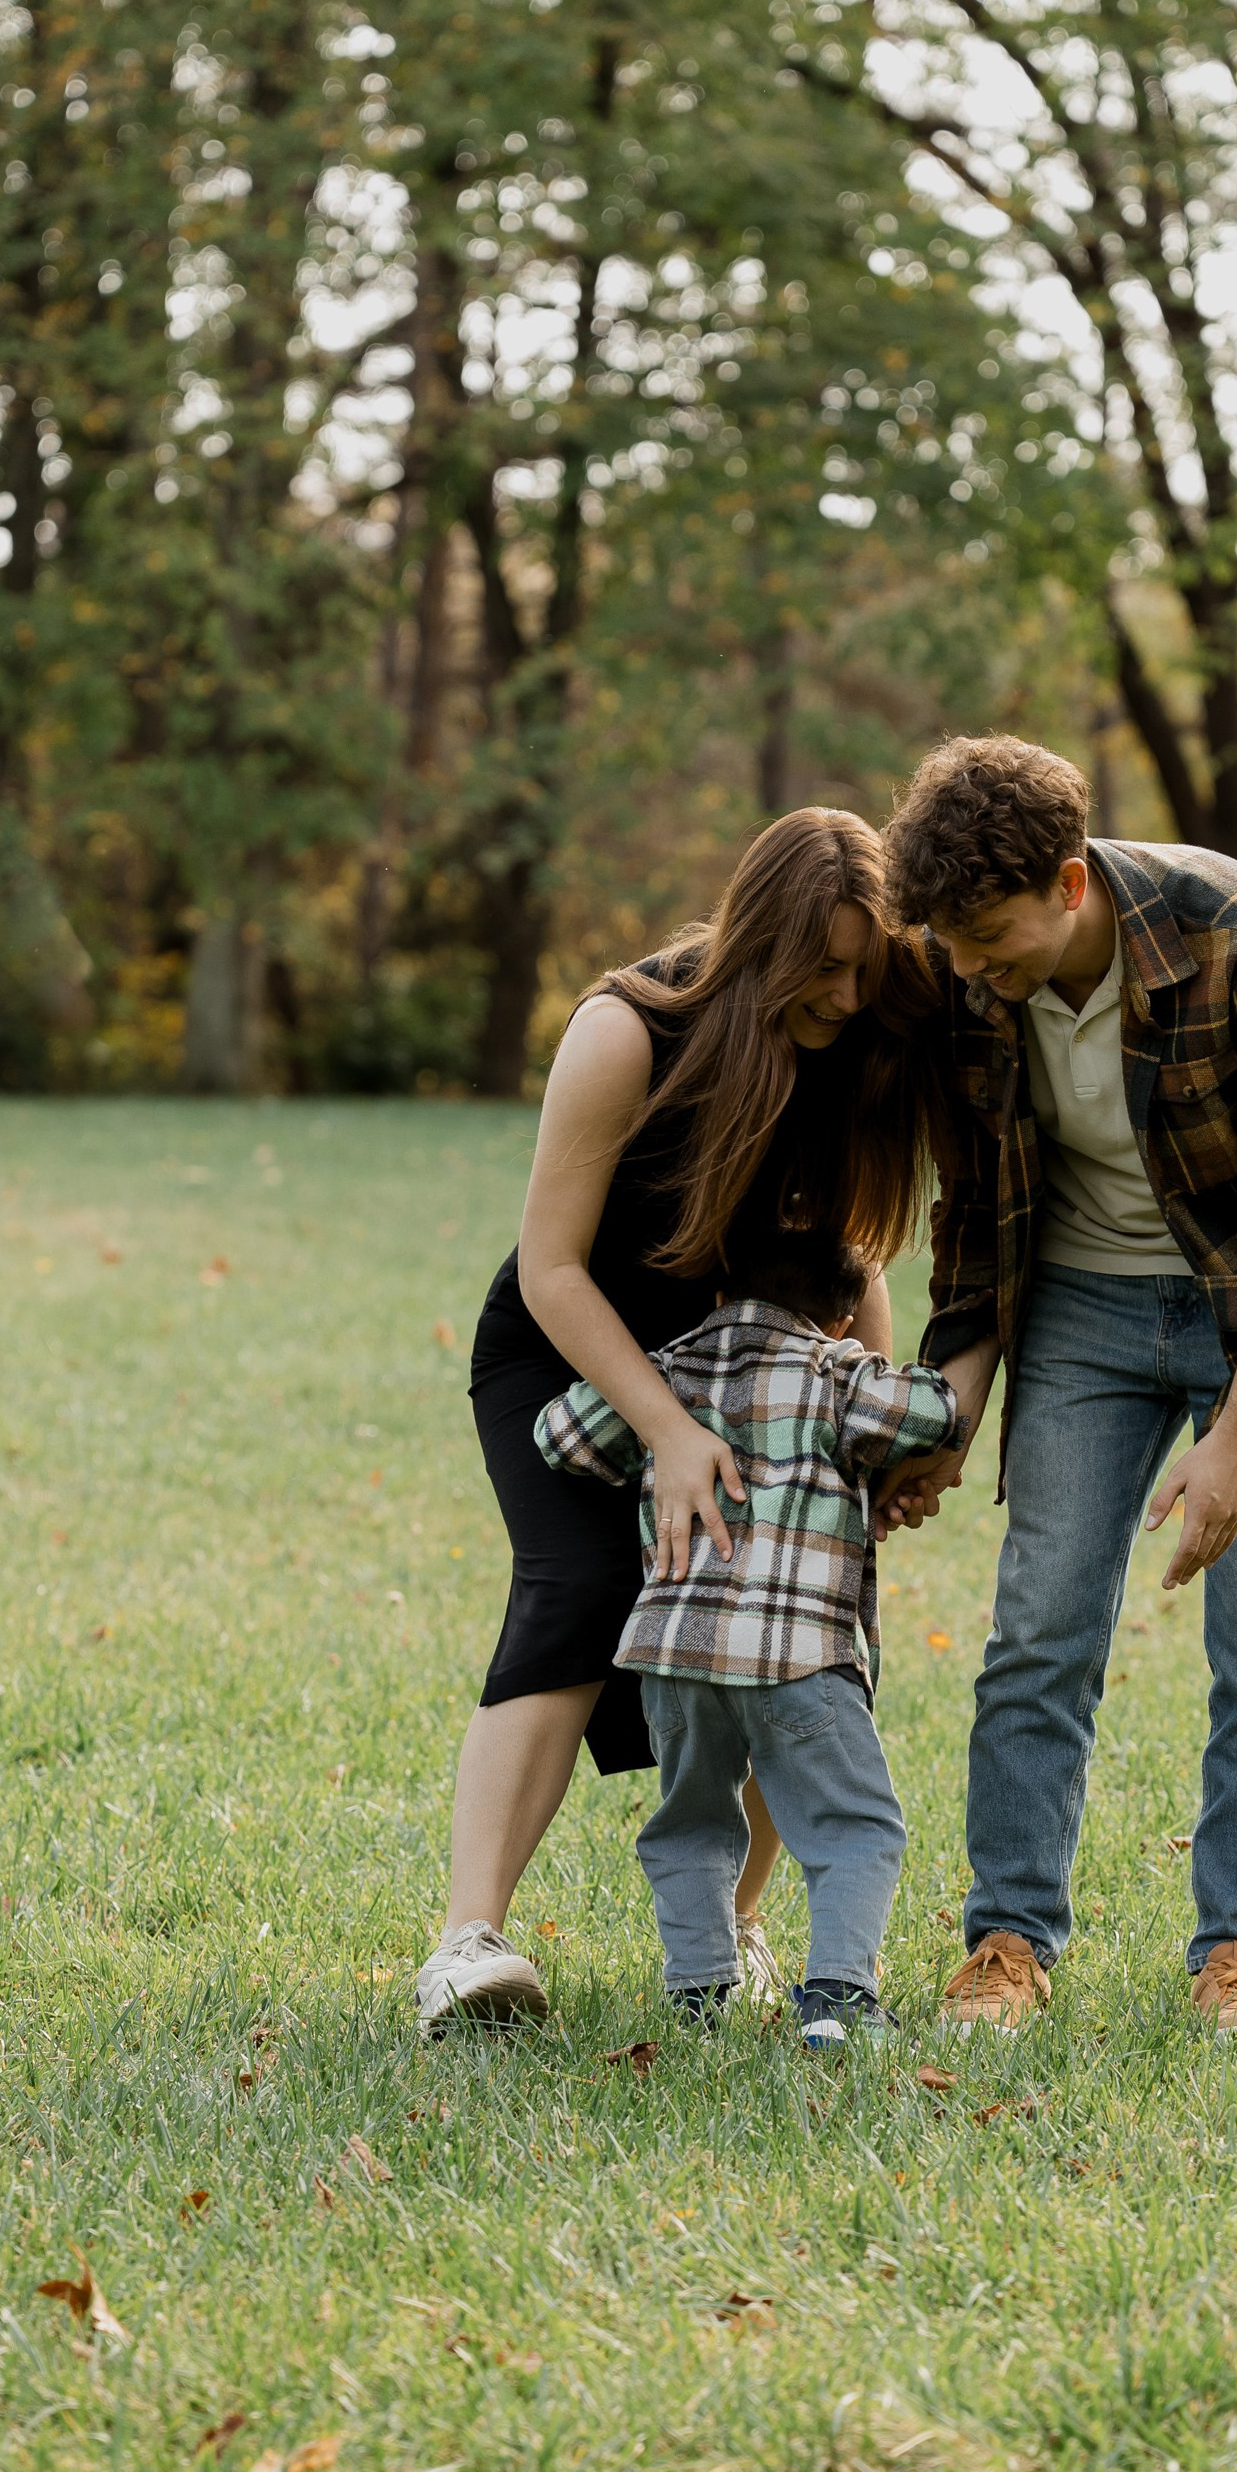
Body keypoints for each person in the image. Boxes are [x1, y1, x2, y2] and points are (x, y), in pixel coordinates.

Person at [415, 808, 947, 2035]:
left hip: (753, 1362)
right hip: (570, 1347)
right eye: (822, 965)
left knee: (790, 1610)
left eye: (863, 967)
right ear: (760, 940)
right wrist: (662, 1430)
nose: (844, 993)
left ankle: (737, 1923)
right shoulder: (627, 1030)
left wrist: (869, 1429)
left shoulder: (848, 1038)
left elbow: (849, 1251)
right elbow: (551, 1269)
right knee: (577, 1590)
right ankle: (467, 1944)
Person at [877, 736, 1237, 2043]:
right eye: (951, 945)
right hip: (1081, 1309)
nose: (969, 969)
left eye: (990, 938)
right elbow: (975, 1215)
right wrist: (946, 1416)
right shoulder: (965, 972)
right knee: (1037, 1632)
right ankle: (1006, 1942)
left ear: (1068, 883)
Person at [535, 1227, 961, 2047]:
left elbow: (559, 1436)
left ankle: (699, 1994)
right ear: (842, 1318)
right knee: (855, 1827)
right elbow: (935, 1412)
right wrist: (867, 1364)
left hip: (675, 1657)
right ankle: (838, 1996)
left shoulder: (666, 1372)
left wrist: (658, 1404)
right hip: (801, 1657)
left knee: (691, 1823)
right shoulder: (839, 1373)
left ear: (721, 1293)